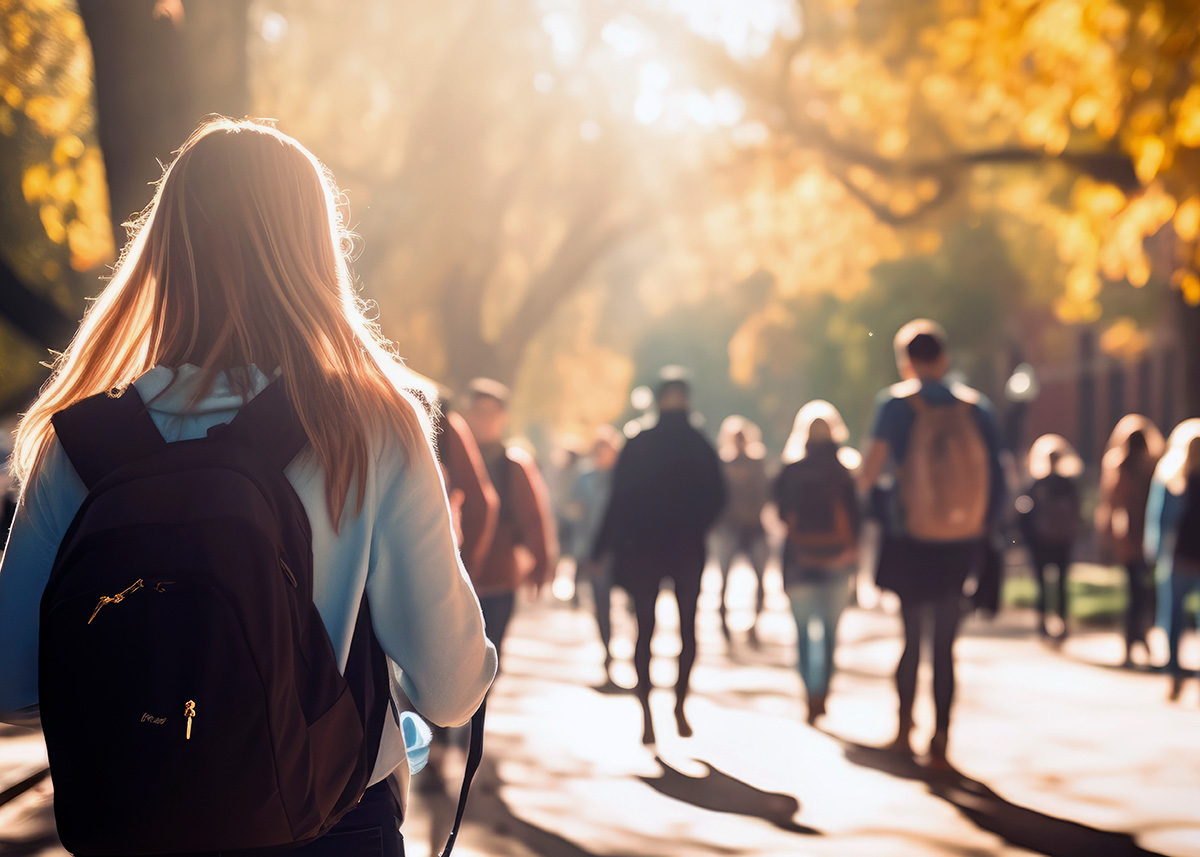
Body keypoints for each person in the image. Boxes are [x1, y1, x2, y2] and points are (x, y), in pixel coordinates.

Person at [0, 118, 496, 856]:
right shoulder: (367, 427)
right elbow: (452, 688)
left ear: (166, 252)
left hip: (131, 830)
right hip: (328, 829)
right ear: (313, 252)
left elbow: (9, 682)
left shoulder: (78, 443)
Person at [858, 320, 1005, 765]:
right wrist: (984, 529)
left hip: (910, 538)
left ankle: (905, 729)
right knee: (945, 645)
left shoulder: (896, 405)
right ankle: (941, 739)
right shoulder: (976, 407)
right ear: (944, 359)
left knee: (911, 638)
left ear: (906, 362)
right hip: (960, 541)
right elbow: (999, 476)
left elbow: (870, 472)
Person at [594, 369, 726, 745]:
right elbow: (718, 498)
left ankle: (650, 714)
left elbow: (617, 500)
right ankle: (675, 706)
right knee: (685, 629)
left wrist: (603, 547)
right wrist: (696, 525)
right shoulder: (700, 444)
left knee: (646, 632)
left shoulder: (639, 442)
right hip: (685, 549)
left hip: (644, 551)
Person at [774, 401, 861, 725]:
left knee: (802, 633)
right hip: (836, 561)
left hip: (797, 562)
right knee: (829, 633)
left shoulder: (790, 471)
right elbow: (857, 518)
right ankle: (821, 690)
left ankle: (809, 693)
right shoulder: (845, 470)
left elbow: (782, 516)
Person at [460, 378, 556, 667]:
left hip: (500, 575)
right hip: (456, 573)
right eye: (478, 412)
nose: (484, 420)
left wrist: (540, 565)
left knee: (490, 657)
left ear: (504, 418)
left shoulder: (514, 464)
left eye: (492, 413)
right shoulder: (450, 459)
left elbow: (533, 518)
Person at [1097, 415, 1164, 667]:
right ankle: (1136, 641)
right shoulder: (1134, 466)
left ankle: (1137, 640)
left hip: (1139, 537)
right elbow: (1116, 504)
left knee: (1140, 594)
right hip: (1140, 537)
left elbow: (1112, 504)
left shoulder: (1147, 466)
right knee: (1140, 594)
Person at [1145, 420, 1200, 699]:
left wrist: (1154, 550)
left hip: (1178, 555)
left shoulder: (1170, 474)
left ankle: (1174, 672)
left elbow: (1159, 518)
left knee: (1173, 617)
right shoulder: (1171, 473)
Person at [567, 426, 623, 683]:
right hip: (592, 551)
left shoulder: (623, 478)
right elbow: (576, 515)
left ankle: (626, 650)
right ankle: (608, 650)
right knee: (601, 604)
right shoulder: (584, 479)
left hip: (620, 552)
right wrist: (581, 553)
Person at [712, 416, 771, 646]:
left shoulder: (757, 463)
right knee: (723, 579)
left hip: (754, 527)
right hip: (729, 529)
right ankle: (723, 622)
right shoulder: (722, 464)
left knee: (760, 580)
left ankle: (754, 624)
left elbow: (764, 493)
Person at [1017, 434, 1083, 641]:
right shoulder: (1068, 484)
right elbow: (1078, 514)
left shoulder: (1037, 484)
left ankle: (1043, 623)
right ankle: (1062, 622)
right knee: (1061, 584)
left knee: (1042, 585)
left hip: (1040, 541)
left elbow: (1023, 514)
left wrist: (1024, 539)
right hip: (1062, 541)